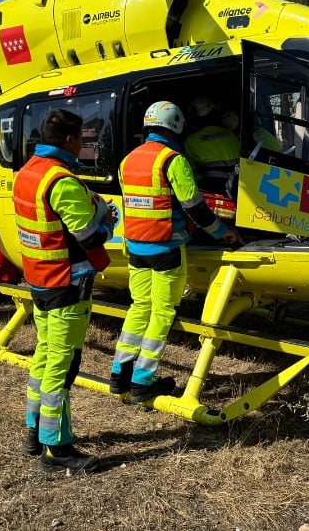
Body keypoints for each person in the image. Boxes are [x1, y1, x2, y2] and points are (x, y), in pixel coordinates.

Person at [109, 101, 243, 403]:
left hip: (135, 247)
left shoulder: (127, 161)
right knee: (162, 311)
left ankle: (120, 374)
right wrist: (225, 234)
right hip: (166, 248)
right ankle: (144, 379)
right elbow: (195, 207)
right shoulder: (173, 160)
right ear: (178, 126)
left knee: (139, 306)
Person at [15, 108, 117, 474]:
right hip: (68, 284)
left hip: (40, 280)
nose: (84, 146)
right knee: (62, 366)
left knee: (44, 357)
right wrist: (107, 224)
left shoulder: (27, 174)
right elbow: (88, 237)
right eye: (84, 140)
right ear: (72, 140)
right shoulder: (62, 182)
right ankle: (57, 450)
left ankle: (34, 431)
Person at [184, 98, 241, 195]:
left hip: (211, 190)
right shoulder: (231, 135)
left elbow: (188, 172)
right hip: (237, 187)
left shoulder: (191, 141)